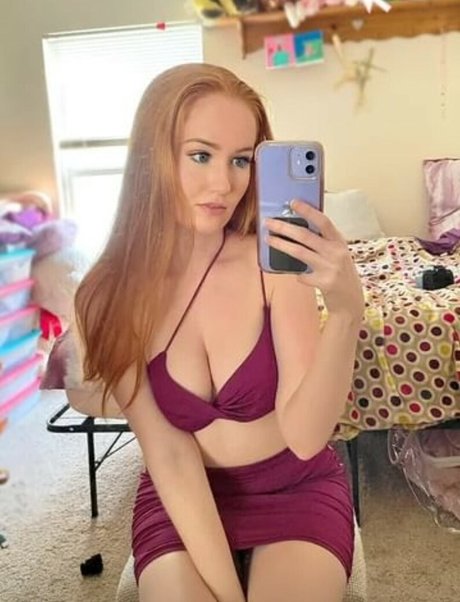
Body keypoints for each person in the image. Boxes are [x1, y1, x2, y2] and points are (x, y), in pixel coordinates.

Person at [74, 63, 365, 602]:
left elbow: (305, 437)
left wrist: (347, 311)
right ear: (153, 156)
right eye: (201, 155)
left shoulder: (274, 266)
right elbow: (169, 454)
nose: (224, 185)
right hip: (180, 499)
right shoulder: (109, 293)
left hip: (294, 487)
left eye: (241, 160)